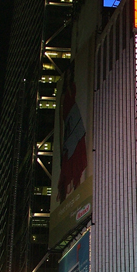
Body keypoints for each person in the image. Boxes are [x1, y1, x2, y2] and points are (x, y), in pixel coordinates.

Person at [57, 61, 88, 203]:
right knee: (68, 161)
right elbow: (62, 115)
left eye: (71, 73)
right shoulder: (63, 95)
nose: (69, 75)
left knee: (76, 157)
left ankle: (77, 188)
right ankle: (66, 198)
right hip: (70, 125)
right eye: (68, 73)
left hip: (74, 121)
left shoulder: (72, 87)